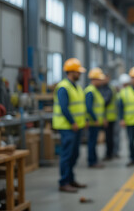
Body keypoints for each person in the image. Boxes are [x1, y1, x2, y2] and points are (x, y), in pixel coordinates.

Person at [52, 58, 87, 193]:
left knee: (74, 154)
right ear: (71, 72)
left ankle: (71, 179)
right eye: (78, 72)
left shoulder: (76, 87)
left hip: (76, 126)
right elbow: (64, 108)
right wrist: (72, 122)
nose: (80, 74)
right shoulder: (63, 87)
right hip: (67, 127)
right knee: (67, 155)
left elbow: (79, 107)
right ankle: (64, 182)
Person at [85, 67, 106, 168]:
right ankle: (92, 161)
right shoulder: (90, 91)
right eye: (99, 79)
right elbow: (88, 107)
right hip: (93, 122)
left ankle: (94, 160)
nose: (101, 81)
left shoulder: (95, 90)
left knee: (93, 142)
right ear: (95, 79)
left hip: (96, 122)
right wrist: (95, 119)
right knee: (92, 142)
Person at [98, 73, 117, 161]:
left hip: (109, 117)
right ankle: (109, 153)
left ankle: (109, 154)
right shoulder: (101, 88)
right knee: (108, 137)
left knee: (109, 137)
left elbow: (105, 101)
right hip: (103, 117)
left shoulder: (109, 89)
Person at [112, 73, 131, 158]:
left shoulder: (122, 92)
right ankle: (114, 151)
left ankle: (115, 151)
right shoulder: (121, 93)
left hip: (123, 117)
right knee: (115, 135)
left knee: (116, 135)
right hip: (117, 117)